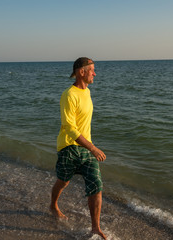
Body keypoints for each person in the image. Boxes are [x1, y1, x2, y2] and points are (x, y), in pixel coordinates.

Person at [50, 57, 107, 239]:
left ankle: (95, 228)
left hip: (86, 148)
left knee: (96, 185)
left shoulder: (87, 92)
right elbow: (69, 128)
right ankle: (53, 205)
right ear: (82, 72)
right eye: (92, 70)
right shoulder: (69, 95)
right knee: (64, 180)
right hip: (68, 147)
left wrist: (90, 148)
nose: (94, 73)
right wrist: (93, 148)